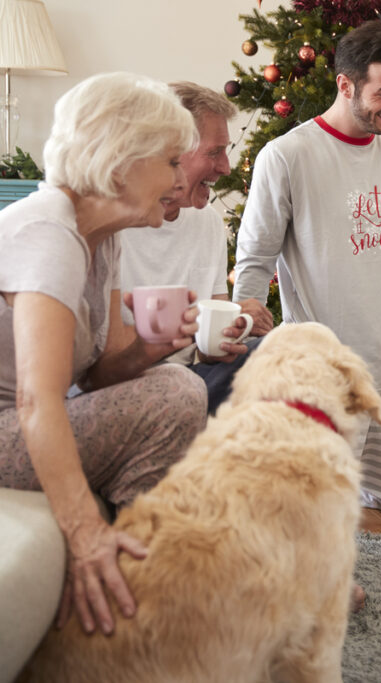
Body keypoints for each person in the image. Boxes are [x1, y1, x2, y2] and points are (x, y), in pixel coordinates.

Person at [232, 19, 381, 515]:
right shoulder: (286, 157)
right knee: (317, 514)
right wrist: (244, 311)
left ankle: (343, 485)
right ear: (345, 85)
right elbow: (254, 258)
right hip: (327, 374)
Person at [0, 73, 207, 636]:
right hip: (7, 426)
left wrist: (148, 351)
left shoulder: (101, 237)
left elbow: (96, 378)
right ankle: (143, 577)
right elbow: (37, 403)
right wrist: (83, 534)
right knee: (178, 392)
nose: (179, 178)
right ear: (121, 162)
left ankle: (151, 571)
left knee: (171, 382)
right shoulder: (48, 232)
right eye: (169, 161)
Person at [119, 82, 273, 413]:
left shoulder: (207, 223)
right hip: (125, 384)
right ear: (170, 150)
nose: (226, 168)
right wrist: (191, 328)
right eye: (214, 152)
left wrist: (231, 331)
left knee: (285, 348)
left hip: (193, 378)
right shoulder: (111, 227)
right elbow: (97, 358)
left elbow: (208, 349)